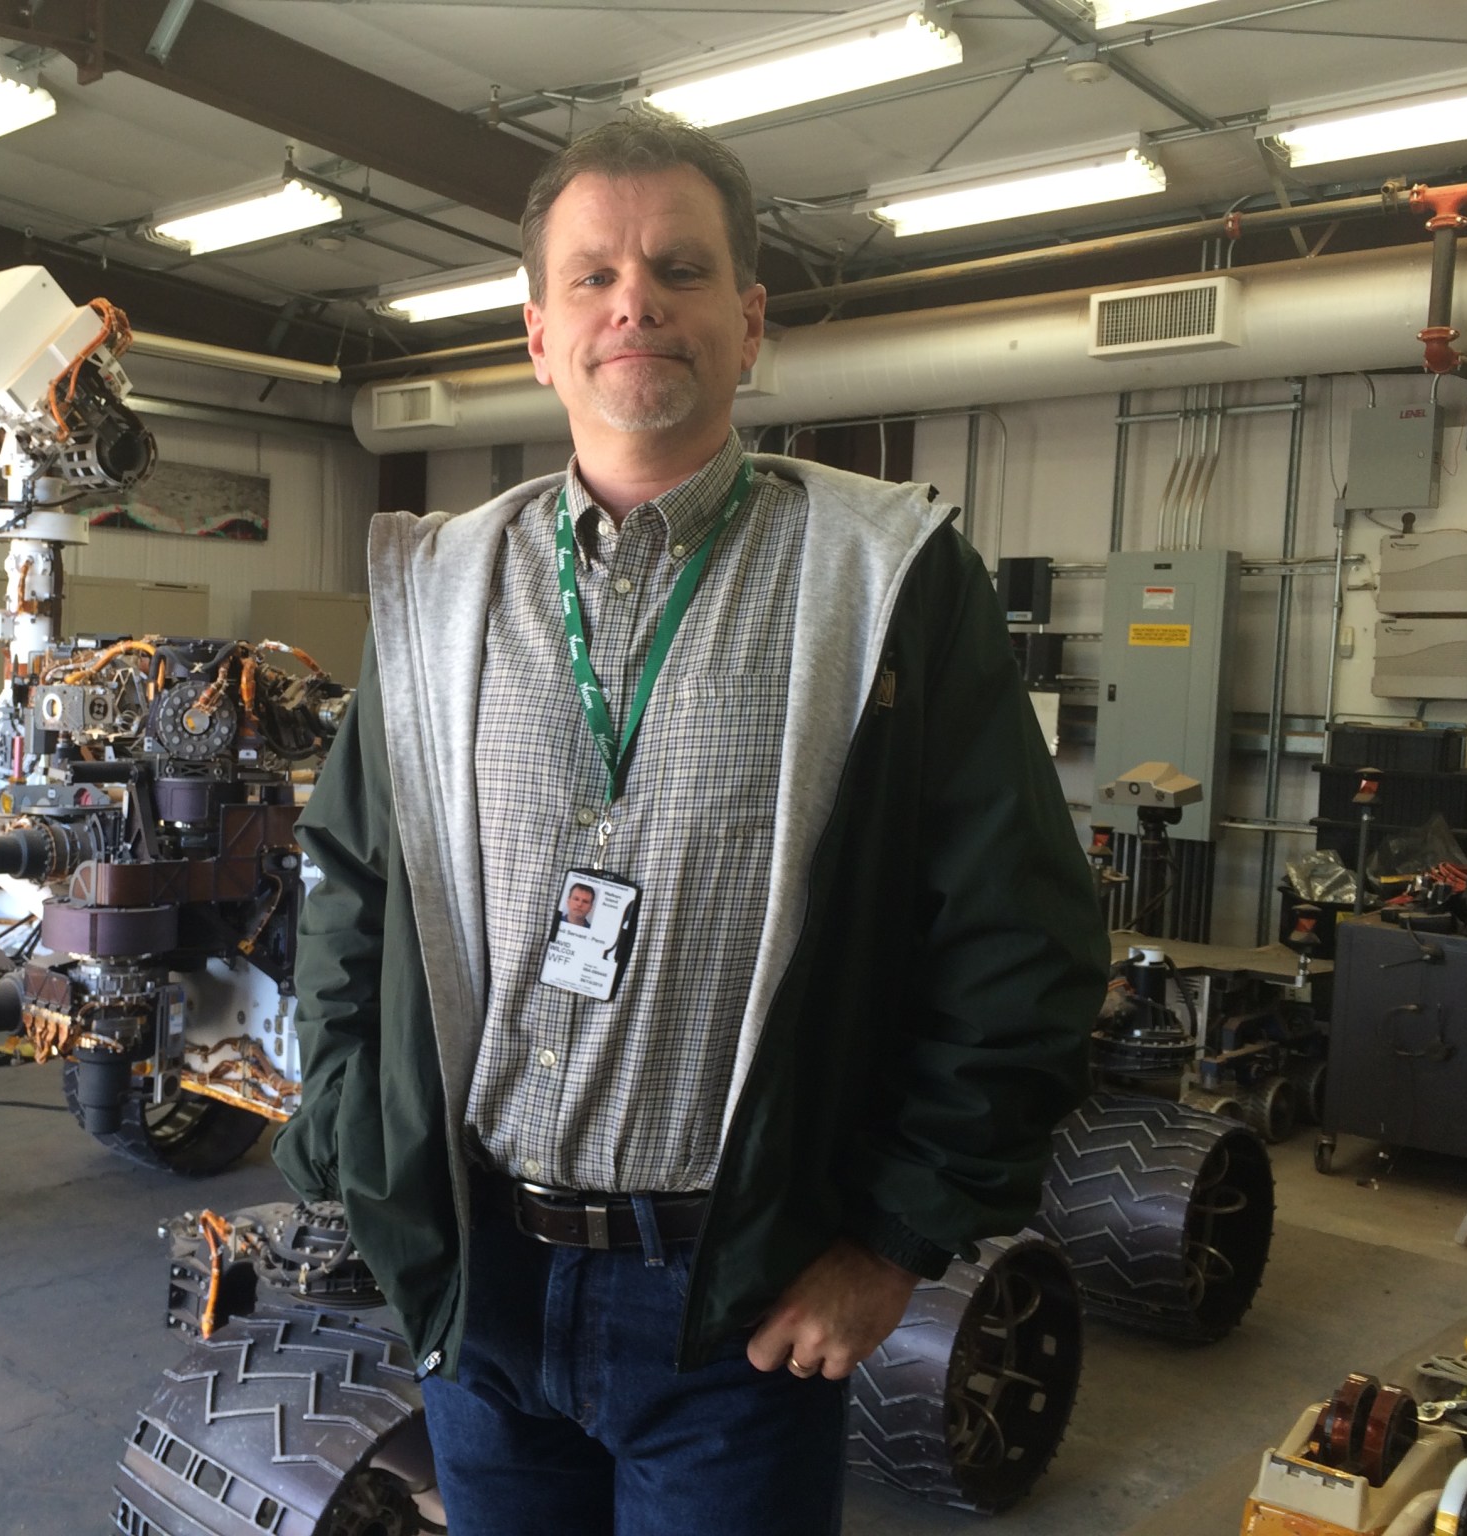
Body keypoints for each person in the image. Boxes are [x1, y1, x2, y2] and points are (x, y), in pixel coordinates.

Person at [273, 108, 1105, 1536]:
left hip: (736, 1295)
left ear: (750, 321)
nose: (634, 299)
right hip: (482, 1278)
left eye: (678, 267)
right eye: (591, 275)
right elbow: (347, 894)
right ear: (539, 334)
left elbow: (1018, 935)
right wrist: (365, 1154)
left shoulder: (887, 577)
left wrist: (895, 1242)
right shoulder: (440, 592)